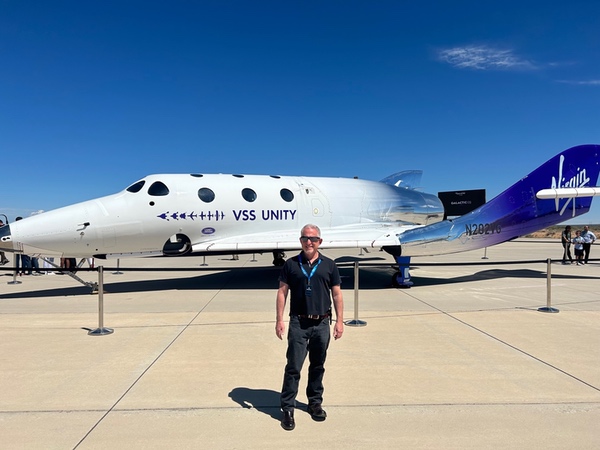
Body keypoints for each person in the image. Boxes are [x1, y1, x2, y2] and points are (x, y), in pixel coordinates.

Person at [275, 224, 344, 431]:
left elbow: (337, 294)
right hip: (299, 323)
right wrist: (279, 319)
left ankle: (315, 402)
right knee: (293, 367)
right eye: (305, 238)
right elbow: (282, 292)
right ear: (300, 241)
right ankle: (287, 408)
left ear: (320, 242)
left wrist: (340, 321)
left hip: (322, 322)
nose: (309, 242)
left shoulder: (329, 265)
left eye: (313, 239)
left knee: (317, 365)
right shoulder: (291, 264)